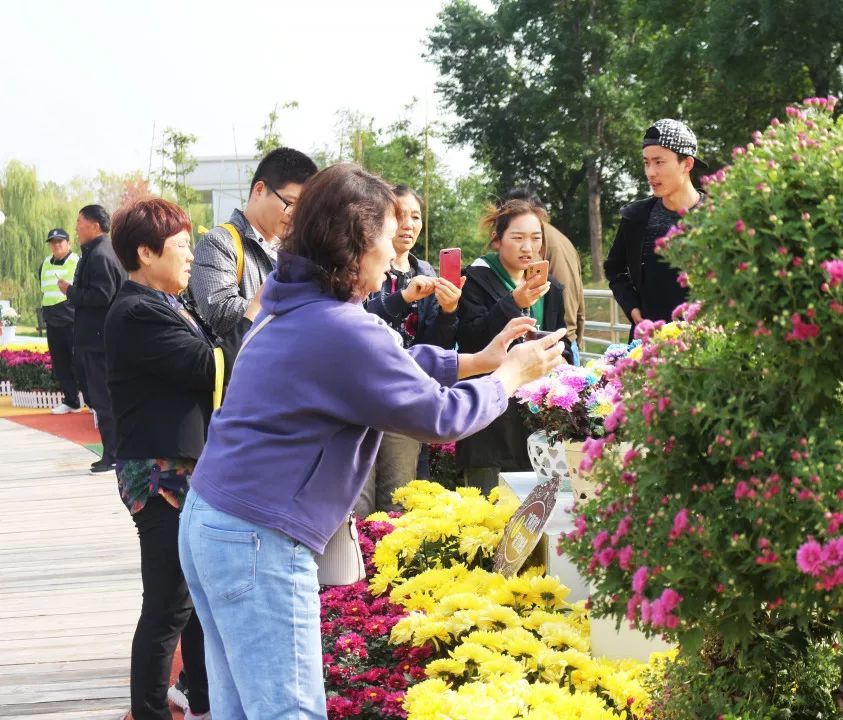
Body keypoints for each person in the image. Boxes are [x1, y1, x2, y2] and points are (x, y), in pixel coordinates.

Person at [178, 164, 565, 718]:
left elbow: (392, 362)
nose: (392, 252)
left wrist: (478, 361)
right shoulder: (338, 325)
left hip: (217, 520)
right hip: (257, 536)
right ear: (356, 240)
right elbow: (438, 416)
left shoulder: (296, 302)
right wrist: (508, 378)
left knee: (242, 708)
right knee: (288, 711)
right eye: (387, 234)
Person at [106, 198, 257, 720]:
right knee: (169, 605)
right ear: (146, 253)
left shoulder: (168, 304)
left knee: (194, 601)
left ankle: (205, 704)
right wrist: (255, 310)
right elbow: (207, 366)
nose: (191, 257)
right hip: (160, 474)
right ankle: (148, 712)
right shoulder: (136, 311)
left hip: (186, 470)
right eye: (181, 247)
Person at [356, 185, 462, 516]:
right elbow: (355, 321)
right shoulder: (365, 266)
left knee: (397, 500)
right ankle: (350, 567)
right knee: (356, 500)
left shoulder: (427, 273)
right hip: (361, 394)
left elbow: (435, 346)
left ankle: (386, 566)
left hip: (405, 396)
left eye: (415, 216)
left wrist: (447, 312)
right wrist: (403, 298)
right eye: (400, 216)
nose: (408, 224)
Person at [456, 199, 573, 493]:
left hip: (535, 422)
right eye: (517, 238)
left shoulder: (551, 289)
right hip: (489, 423)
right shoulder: (474, 280)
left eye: (535, 238)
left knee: (534, 515)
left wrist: (562, 356)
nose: (527, 248)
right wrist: (513, 304)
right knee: (486, 512)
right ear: (498, 240)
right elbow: (470, 338)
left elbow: (564, 339)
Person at [188, 146, 317, 337]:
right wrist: (296, 307)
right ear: (259, 190)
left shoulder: (295, 251)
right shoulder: (218, 243)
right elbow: (221, 311)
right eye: (290, 204)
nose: (296, 216)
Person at [604, 118, 707, 331]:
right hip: (650, 346)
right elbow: (615, 270)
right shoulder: (636, 217)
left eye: (659, 162)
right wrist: (632, 308)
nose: (651, 172)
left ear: (687, 164)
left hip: (708, 345)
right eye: (646, 162)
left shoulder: (718, 216)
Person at [59, 204, 126, 473]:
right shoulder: (103, 251)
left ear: (95, 226)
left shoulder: (100, 254)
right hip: (99, 338)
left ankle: (112, 454)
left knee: (103, 397)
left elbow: (101, 297)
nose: (76, 228)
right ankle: (114, 452)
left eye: (80, 222)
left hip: (99, 341)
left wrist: (71, 291)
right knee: (102, 397)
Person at [502, 187, 586, 364]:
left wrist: (566, 346)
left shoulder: (541, 241)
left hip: (557, 345)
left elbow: (559, 293)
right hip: (564, 341)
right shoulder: (556, 238)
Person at [40, 227, 81, 414]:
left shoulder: (77, 261)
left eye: (60, 241)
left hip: (72, 319)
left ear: (68, 243)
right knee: (60, 363)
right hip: (52, 320)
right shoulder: (45, 264)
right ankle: (71, 401)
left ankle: (93, 401)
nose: (56, 245)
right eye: (52, 242)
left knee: (79, 361)